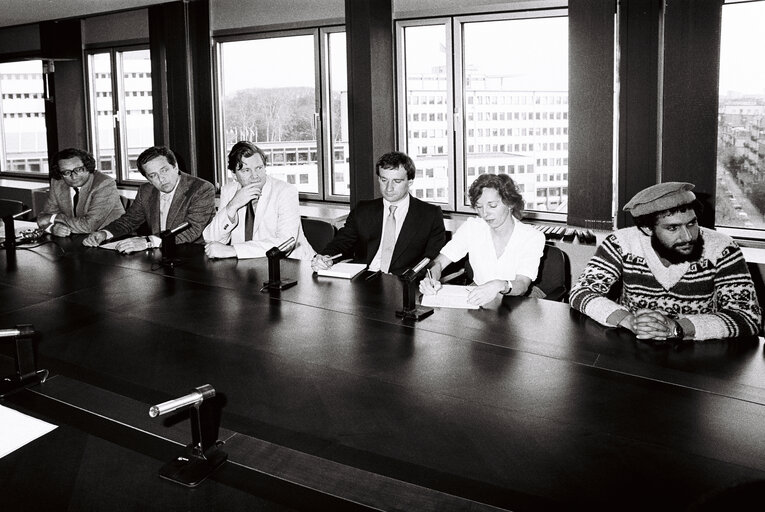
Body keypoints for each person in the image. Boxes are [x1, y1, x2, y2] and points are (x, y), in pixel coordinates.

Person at [570, 182, 761, 341]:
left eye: (691, 223)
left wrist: (677, 328)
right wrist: (628, 320)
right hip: (634, 346)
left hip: (696, 352)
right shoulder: (621, 242)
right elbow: (581, 292)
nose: (687, 236)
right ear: (647, 229)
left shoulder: (723, 248)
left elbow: (748, 317)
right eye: (673, 228)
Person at [419, 173, 545, 307]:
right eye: (479, 207)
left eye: (492, 205)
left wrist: (499, 285)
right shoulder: (472, 227)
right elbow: (439, 263)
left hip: (519, 301)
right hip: (480, 297)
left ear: (510, 204)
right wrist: (430, 278)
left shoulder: (532, 237)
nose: (485, 213)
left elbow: (522, 284)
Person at [311, 151, 445, 275]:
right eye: (384, 180)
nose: (389, 188)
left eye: (397, 181)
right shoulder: (363, 210)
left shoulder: (430, 215)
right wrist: (325, 257)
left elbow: (431, 260)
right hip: (362, 281)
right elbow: (341, 242)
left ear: (410, 181)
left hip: (402, 283)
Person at [82, 146, 215, 253]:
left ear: (175, 166)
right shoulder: (146, 190)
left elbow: (192, 230)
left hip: (194, 254)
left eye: (164, 170)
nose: (161, 179)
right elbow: (129, 220)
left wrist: (148, 241)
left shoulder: (201, 188)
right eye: (153, 175)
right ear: (148, 180)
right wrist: (104, 233)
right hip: (158, 254)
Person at [203, 141, 312, 259]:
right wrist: (232, 206)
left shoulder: (285, 191)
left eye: (259, 168)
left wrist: (234, 250)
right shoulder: (229, 191)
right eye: (246, 170)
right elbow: (211, 239)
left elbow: (285, 242)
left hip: (291, 265)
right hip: (247, 268)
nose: (255, 176)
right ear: (234, 175)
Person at [37, 148, 124, 236]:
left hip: (110, 240)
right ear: (60, 173)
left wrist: (53, 218)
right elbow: (44, 217)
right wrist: (52, 228)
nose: (73, 176)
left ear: (87, 167)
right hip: (75, 238)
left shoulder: (105, 184)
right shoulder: (57, 183)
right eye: (66, 172)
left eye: (78, 170)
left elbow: (88, 226)